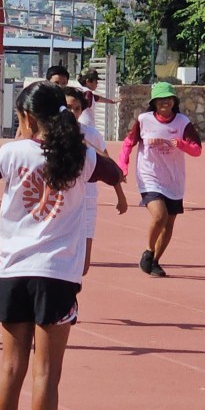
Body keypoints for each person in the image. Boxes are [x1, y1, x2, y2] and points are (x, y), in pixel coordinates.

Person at [0, 81, 124, 410]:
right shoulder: (80, 156)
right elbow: (114, 170)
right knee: (46, 373)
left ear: (25, 117)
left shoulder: (9, 153)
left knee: (9, 367)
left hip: (14, 272)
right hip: (57, 275)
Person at [119, 82, 203, 277]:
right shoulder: (144, 120)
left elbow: (197, 150)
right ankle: (149, 251)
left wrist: (181, 144)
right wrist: (123, 166)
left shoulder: (182, 122)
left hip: (173, 179)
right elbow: (128, 143)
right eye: (161, 100)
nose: (165, 103)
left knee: (169, 223)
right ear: (154, 103)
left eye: (169, 99)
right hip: (149, 176)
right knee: (159, 215)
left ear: (174, 101)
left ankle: (155, 261)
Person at [64, 87, 128, 275]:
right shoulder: (49, 134)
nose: (72, 112)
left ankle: (68, 298)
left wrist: (121, 197)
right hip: (61, 202)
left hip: (87, 200)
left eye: (77, 109)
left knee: (83, 265)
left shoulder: (91, 134)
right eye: (68, 107)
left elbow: (109, 166)